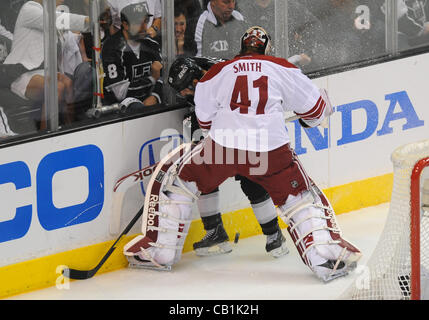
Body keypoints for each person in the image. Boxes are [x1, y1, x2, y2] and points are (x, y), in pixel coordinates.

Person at [123, 26, 362, 282]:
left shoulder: (219, 71)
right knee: (300, 200)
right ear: (266, 47)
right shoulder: (282, 67)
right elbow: (316, 112)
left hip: (224, 147)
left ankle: (160, 253)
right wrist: (314, 117)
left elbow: (204, 121)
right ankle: (325, 260)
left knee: (181, 183)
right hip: (270, 150)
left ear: (242, 47)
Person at [167, 55, 288, 258]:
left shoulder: (225, 74)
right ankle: (215, 232)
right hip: (222, 124)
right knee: (202, 171)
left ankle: (274, 234)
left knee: (251, 178)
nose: (184, 94)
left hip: (246, 125)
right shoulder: (205, 79)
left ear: (195, 80)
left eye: (186, 89)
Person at [3, 0, 90, 128]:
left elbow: (67, 37)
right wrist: (87, 21)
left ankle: (70, 127)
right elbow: (57, 20)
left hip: (42, 71)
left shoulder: (49, 15)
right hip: (18, 72)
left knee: (68, 83)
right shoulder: (29, 9)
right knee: (56, 88)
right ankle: (46, 133)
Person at [101, 2, 163, 107]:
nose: (144, 27)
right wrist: (152, 79)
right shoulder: (111, 47)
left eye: (146, 21)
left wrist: (155, 96)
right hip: (120, 107)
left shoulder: (152, 44)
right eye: (139, 23)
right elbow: (120, 93)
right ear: (125, 24)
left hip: (149, 98)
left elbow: (163, 77)